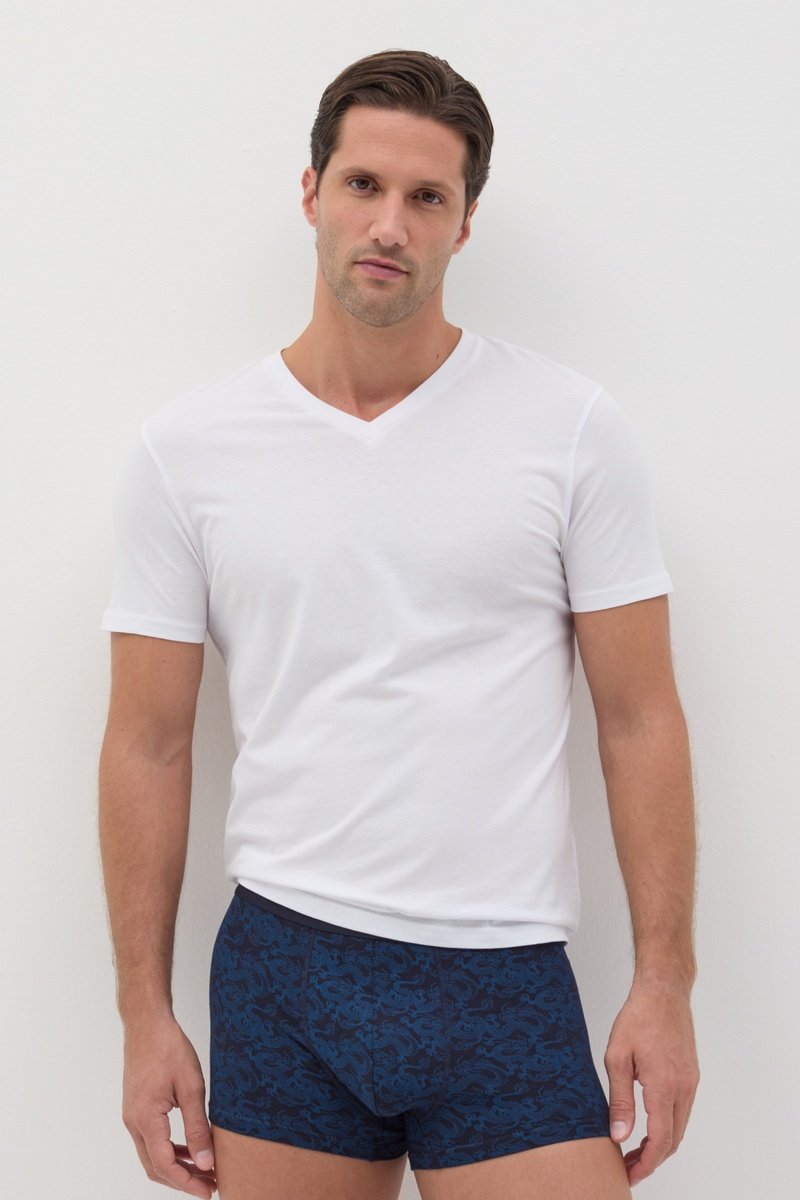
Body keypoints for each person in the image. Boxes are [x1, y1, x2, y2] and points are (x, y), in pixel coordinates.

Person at [98, 48, 699, 1200]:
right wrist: (142, 1015)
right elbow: (148, 743)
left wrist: (663, 984)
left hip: (502, 977)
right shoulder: (188, 453)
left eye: (427, 197)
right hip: (286, 969)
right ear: (311, 191)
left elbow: (637, 719)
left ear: (463, 224)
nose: (389, 224)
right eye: (363, 184)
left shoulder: (567, 429)